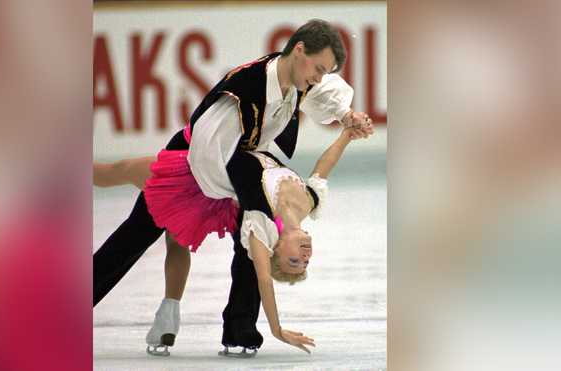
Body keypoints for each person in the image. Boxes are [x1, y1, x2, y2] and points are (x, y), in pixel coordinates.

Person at [93, 18, 374, 355]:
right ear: (298, 50)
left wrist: (346, 118)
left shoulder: (299, 78)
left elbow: (325, 94)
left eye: (323, 71)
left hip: (235, 177)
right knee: (135, 235)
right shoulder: (244, 90)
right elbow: (206, 151)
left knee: (254, 239)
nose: (318, 77)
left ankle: (240, 331)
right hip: (191, 167)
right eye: (318, 67)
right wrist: (249, 193)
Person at [96, 124, 371, 355]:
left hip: (191, 170)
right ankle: (172, 312)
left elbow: (264, 278)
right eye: (305, 262)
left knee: (112, 175)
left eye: (294, 261)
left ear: (275, 249)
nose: (306, 256)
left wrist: (276, 329)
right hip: (215, 163)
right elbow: (323, 167)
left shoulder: (259, 225)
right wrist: (347, 134)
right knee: (172, 237)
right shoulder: (311, 201)